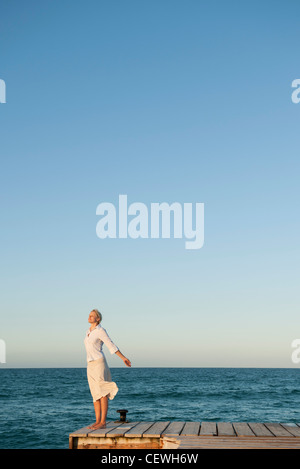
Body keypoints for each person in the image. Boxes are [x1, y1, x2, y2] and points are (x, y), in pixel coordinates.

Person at [84, 309, 131, 429]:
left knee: (103, 391)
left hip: (99, 363)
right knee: (95, 393)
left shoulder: (100, 331)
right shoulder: (88, 332)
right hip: (90, 364)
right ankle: (97, 421)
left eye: (92, 316)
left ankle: (103, 422)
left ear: (98, 318)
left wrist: (123, 357)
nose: (89, 317)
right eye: (89, 315)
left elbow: (111, 345)